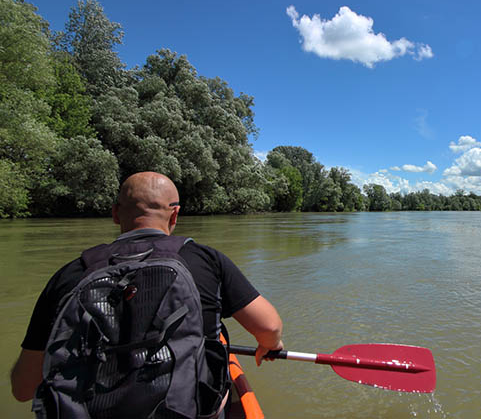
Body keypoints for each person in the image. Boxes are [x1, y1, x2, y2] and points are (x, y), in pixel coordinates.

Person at [10, 171, 284, 406]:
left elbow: (23, 389)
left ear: (116, 214)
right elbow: (269, 327)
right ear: (175, 215)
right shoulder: (206, 260)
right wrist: (270, 345)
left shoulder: (71, 274)